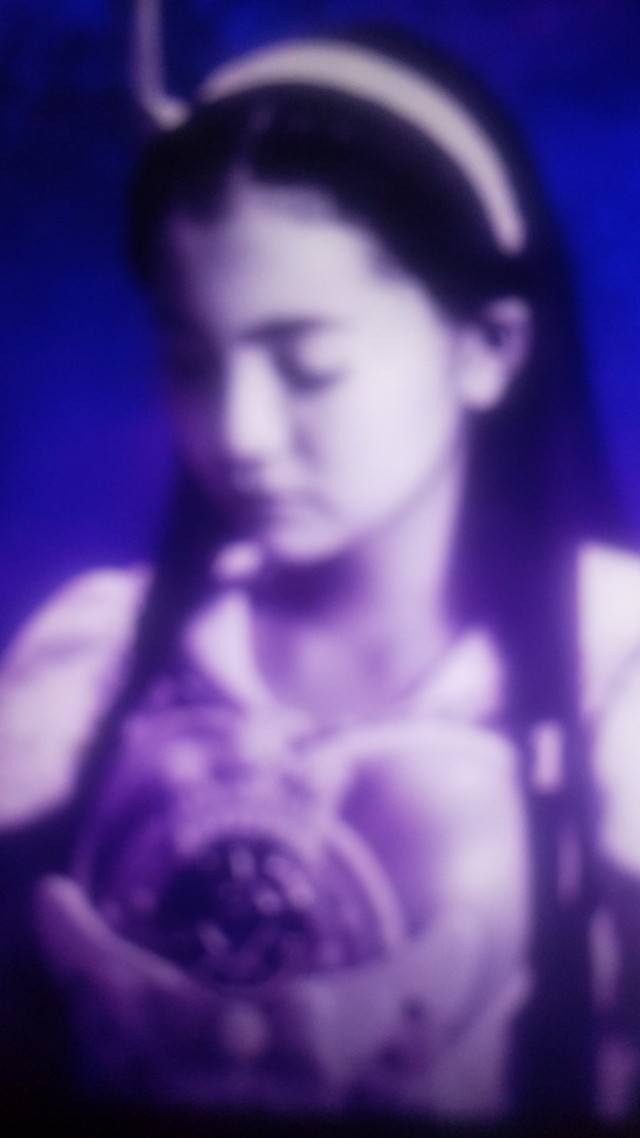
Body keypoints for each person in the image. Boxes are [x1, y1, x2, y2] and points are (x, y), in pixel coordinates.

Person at [1, 21, 639, 1126]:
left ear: (488, 348)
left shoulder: (614, 674)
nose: (238, 434)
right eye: (191, 361)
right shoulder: (92, 660)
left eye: (310, 367)